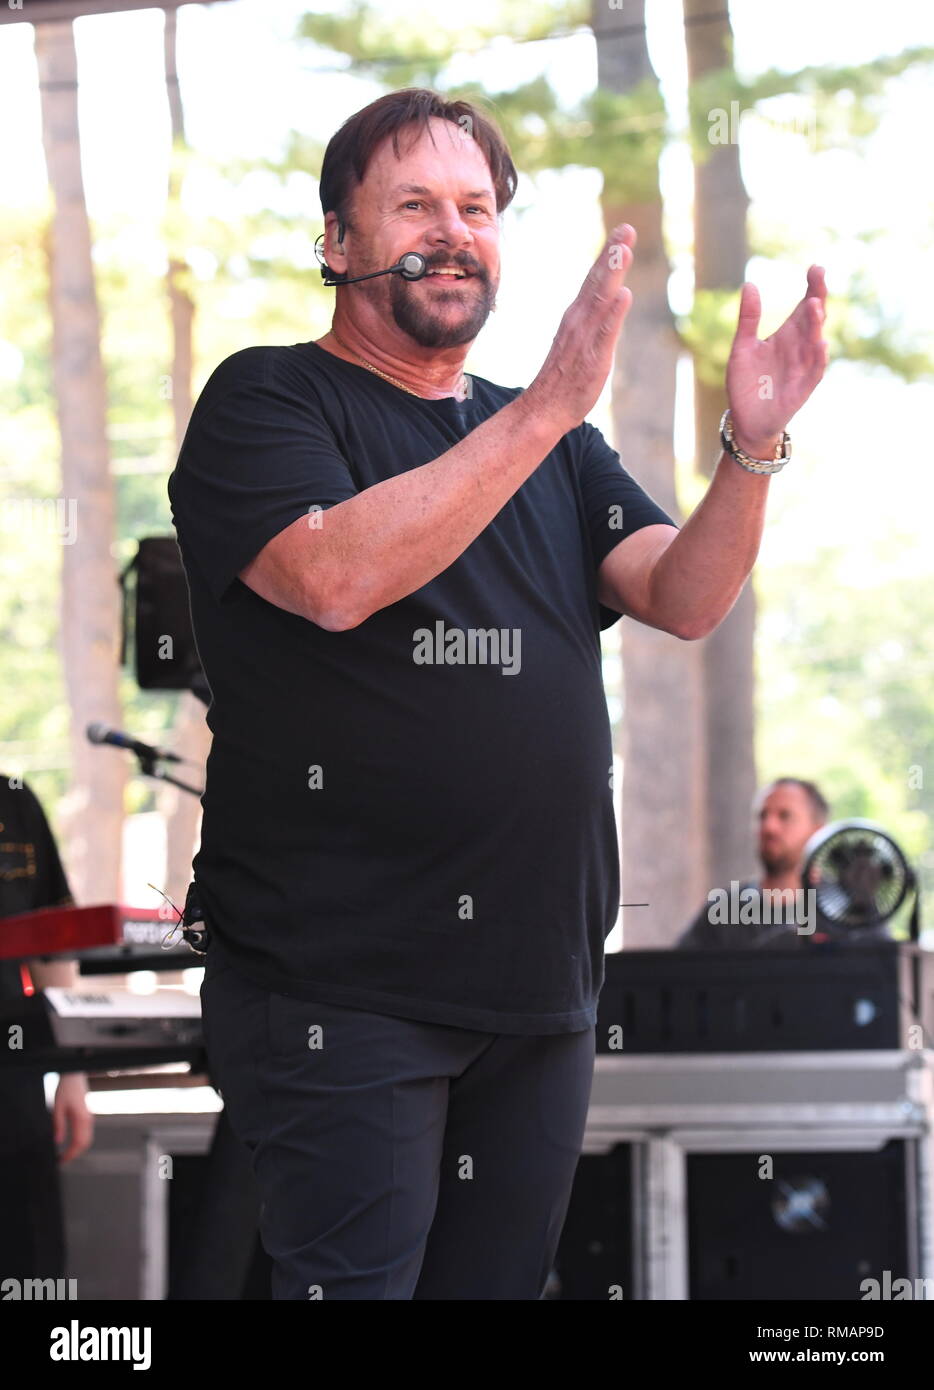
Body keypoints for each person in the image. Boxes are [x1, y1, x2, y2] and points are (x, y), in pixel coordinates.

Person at [168, 87, 829, 1299]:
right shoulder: (267, 400)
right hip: (337, 986)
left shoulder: (553, 446)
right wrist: (542, 410)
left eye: (477, 207)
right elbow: (331, 576)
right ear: (335, 242)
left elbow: (682, 594)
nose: (453, 230)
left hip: (536, 988)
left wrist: (751, 446)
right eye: (412, 204)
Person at [0, 776, 93, 1280]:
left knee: (32, 1269)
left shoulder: (14, 801)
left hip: (14, 1077)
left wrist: (73, 1070)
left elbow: (52, 937)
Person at [676, 776, 834, 949]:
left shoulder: (843, 911)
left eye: (785, 816)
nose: (769, 827)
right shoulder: (724, 910)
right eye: (762, 816)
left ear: (818, 830)